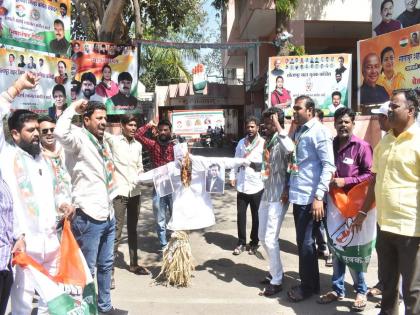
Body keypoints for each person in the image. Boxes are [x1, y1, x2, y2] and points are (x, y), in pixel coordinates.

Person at [0, 72, 74, 314]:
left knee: (50, 302)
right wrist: (17, 87)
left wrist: (63, 203)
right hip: (24, 246)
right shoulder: (8, 157)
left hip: (51, 242)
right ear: (14, 135)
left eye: (37, 129)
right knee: (22, 304)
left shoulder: (43, 159)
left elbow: (56, 191)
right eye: (30, 130)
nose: (36, 134)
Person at [55, 100, 125, 314]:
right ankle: (86, 309)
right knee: (86, 270)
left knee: (105, 266)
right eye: (99, 118)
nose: (104, 122)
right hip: (88, 216)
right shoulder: (78, 139)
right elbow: (60, 133)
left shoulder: (101, 142)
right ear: (86, 120)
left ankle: (104, 307)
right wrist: (72, 108)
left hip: (107, 214)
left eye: (105, 118)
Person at [355, 89, 420, 315]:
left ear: (410, 111)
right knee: (388, 286)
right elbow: (375, 181)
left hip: (411, 230)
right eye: (389, 107)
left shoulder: (418, 141)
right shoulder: (385, 142)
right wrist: (363, 213)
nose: (389, 110)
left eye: (394, 107)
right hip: (384, 227)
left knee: (413, 291)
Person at [318, 107, 373, 312]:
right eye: (339, 122)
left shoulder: (362, 146)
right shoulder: (330, 145)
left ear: (353, 124)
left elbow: (369, 174)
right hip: (332, 205)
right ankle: (337, 289)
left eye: (346, 122)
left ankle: (361, 290)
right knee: (335, 247)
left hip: (354, 206)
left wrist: (346, 180)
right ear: (334, 124)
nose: (343, 125)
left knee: (353, 248)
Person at [287, 95, 335, 302]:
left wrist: (318, 196)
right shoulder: (299, 131)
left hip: (310, 197)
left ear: (310, 110)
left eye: (297, 108)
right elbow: (297, 163)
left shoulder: (319, 132)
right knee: (305, 243)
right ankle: (312, 284)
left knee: (306, 243)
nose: (293, 112)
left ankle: (307, 287)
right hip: (299, 195)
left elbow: (328, 166)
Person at [105, 115, 149, 290]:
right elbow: (98, 133)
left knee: (133, 230)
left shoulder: (138, 146)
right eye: (130, 125)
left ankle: (133, 264)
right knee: (115, 233)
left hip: (135, 193)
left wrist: (143, 175)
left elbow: (140, 167)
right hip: (120, 194)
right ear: (122, 126)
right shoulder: (114, 142)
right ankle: (109, 274)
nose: (133, 128)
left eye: (135, 125)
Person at [257, 107, 294, 297]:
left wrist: (278, 124)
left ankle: (277, 280)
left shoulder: (282, 140)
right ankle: (273, 271)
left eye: (269, 122)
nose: (265, 126)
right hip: (267, 192)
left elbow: (290, 149)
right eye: (265, 122)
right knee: (262, 236)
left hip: (279, 195)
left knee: (271, 238)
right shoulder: (268, 142)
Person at [135, 119, 174, 249]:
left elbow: (185, 163)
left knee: (177, 216)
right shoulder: (152, 145)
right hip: (158, 187)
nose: (163, 132)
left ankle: (176, 244)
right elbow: (137, 135)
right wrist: (149, 125)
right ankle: (164, 245)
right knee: (160, 217)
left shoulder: (175, 146)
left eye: (165, 130)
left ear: (170, 131)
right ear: (157, 131)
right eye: (160, 130)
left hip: (174, 187)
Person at [229, 116, 264, 256]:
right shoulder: (241, 143)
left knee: (257, 217)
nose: (250, 129)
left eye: (252, 127)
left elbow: (266, 164)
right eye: (248, 127)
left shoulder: (263, 143)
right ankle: (241, 242)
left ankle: (254, 242)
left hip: (257, 185)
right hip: (242, 185)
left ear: (257, 128)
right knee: (240, 215)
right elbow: (235, 161)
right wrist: (232, 176)